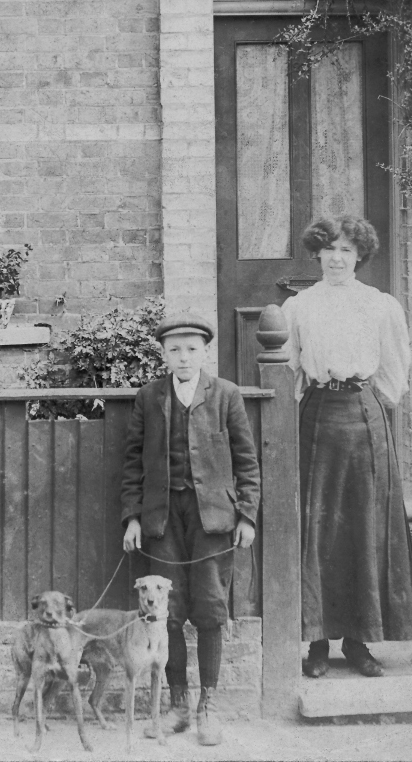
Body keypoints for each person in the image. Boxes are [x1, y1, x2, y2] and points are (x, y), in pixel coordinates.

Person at [283, 213, 412, 678]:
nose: (337, 258)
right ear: (317, 253)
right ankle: (319, 642)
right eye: (329, 249)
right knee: (319, 524)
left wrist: (369, 404)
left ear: (360, 255)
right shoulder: (299, 307)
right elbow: (288, 369)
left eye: (347, 250)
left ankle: (360, 642)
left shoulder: (380, 305)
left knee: (364, 527)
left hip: (364, 419)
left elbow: (394, 370)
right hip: (318, 419)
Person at [121, 310, 260, 748]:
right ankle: (178, 704)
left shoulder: (226, 395)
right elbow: (132, 463)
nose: (183, 357)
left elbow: (247, 462)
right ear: (163, 354)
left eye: (192, 350)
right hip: (162, 518)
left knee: (210, 608)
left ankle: (208, 708)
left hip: (213, 519)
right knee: (167, 613)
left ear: (205, 352)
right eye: (174, 350)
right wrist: (133, 517)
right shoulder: (148, 397)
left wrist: (247, 516)